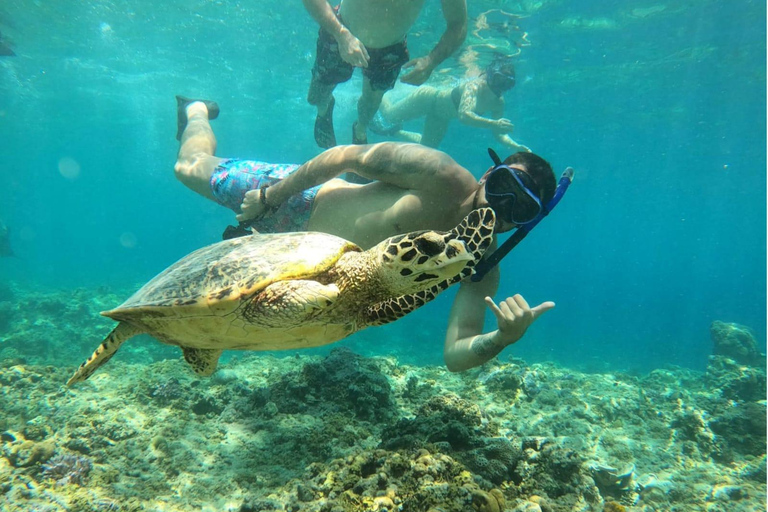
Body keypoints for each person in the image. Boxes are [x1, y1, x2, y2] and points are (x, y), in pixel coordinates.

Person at [174, 96, 558, 372]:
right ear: (489, 174)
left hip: (301, 279)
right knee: (189, 168)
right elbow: (344, 155)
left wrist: (502, 339)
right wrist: (271, 196)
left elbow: (455, 354)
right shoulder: (438, 173)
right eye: (505, 186)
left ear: (528, 222)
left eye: (520, 209)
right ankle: (196, 109)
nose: (501, 208)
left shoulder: (481, 265)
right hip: (299, 206)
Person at [303, 0, 468, 153]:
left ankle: (360, 130)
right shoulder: (340, 33)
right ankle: (323, 107)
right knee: (316, 96)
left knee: (371, 102)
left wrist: (432, 61)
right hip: (341, 29)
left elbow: (458, 23)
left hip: (390, 47)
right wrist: (341, 35)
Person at [372, 56, 530, 152]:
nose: (499, 87)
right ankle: (374, 89)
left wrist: (514, 145)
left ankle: (395, 132)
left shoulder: (498, 104)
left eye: (506, 84)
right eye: (498, 80)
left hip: (441, 117)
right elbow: (464, 115)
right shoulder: (474, 86)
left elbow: (499, 133)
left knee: (427, 149)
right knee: (390, 115)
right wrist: (494, 123)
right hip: (428, 99)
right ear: (489, 75)